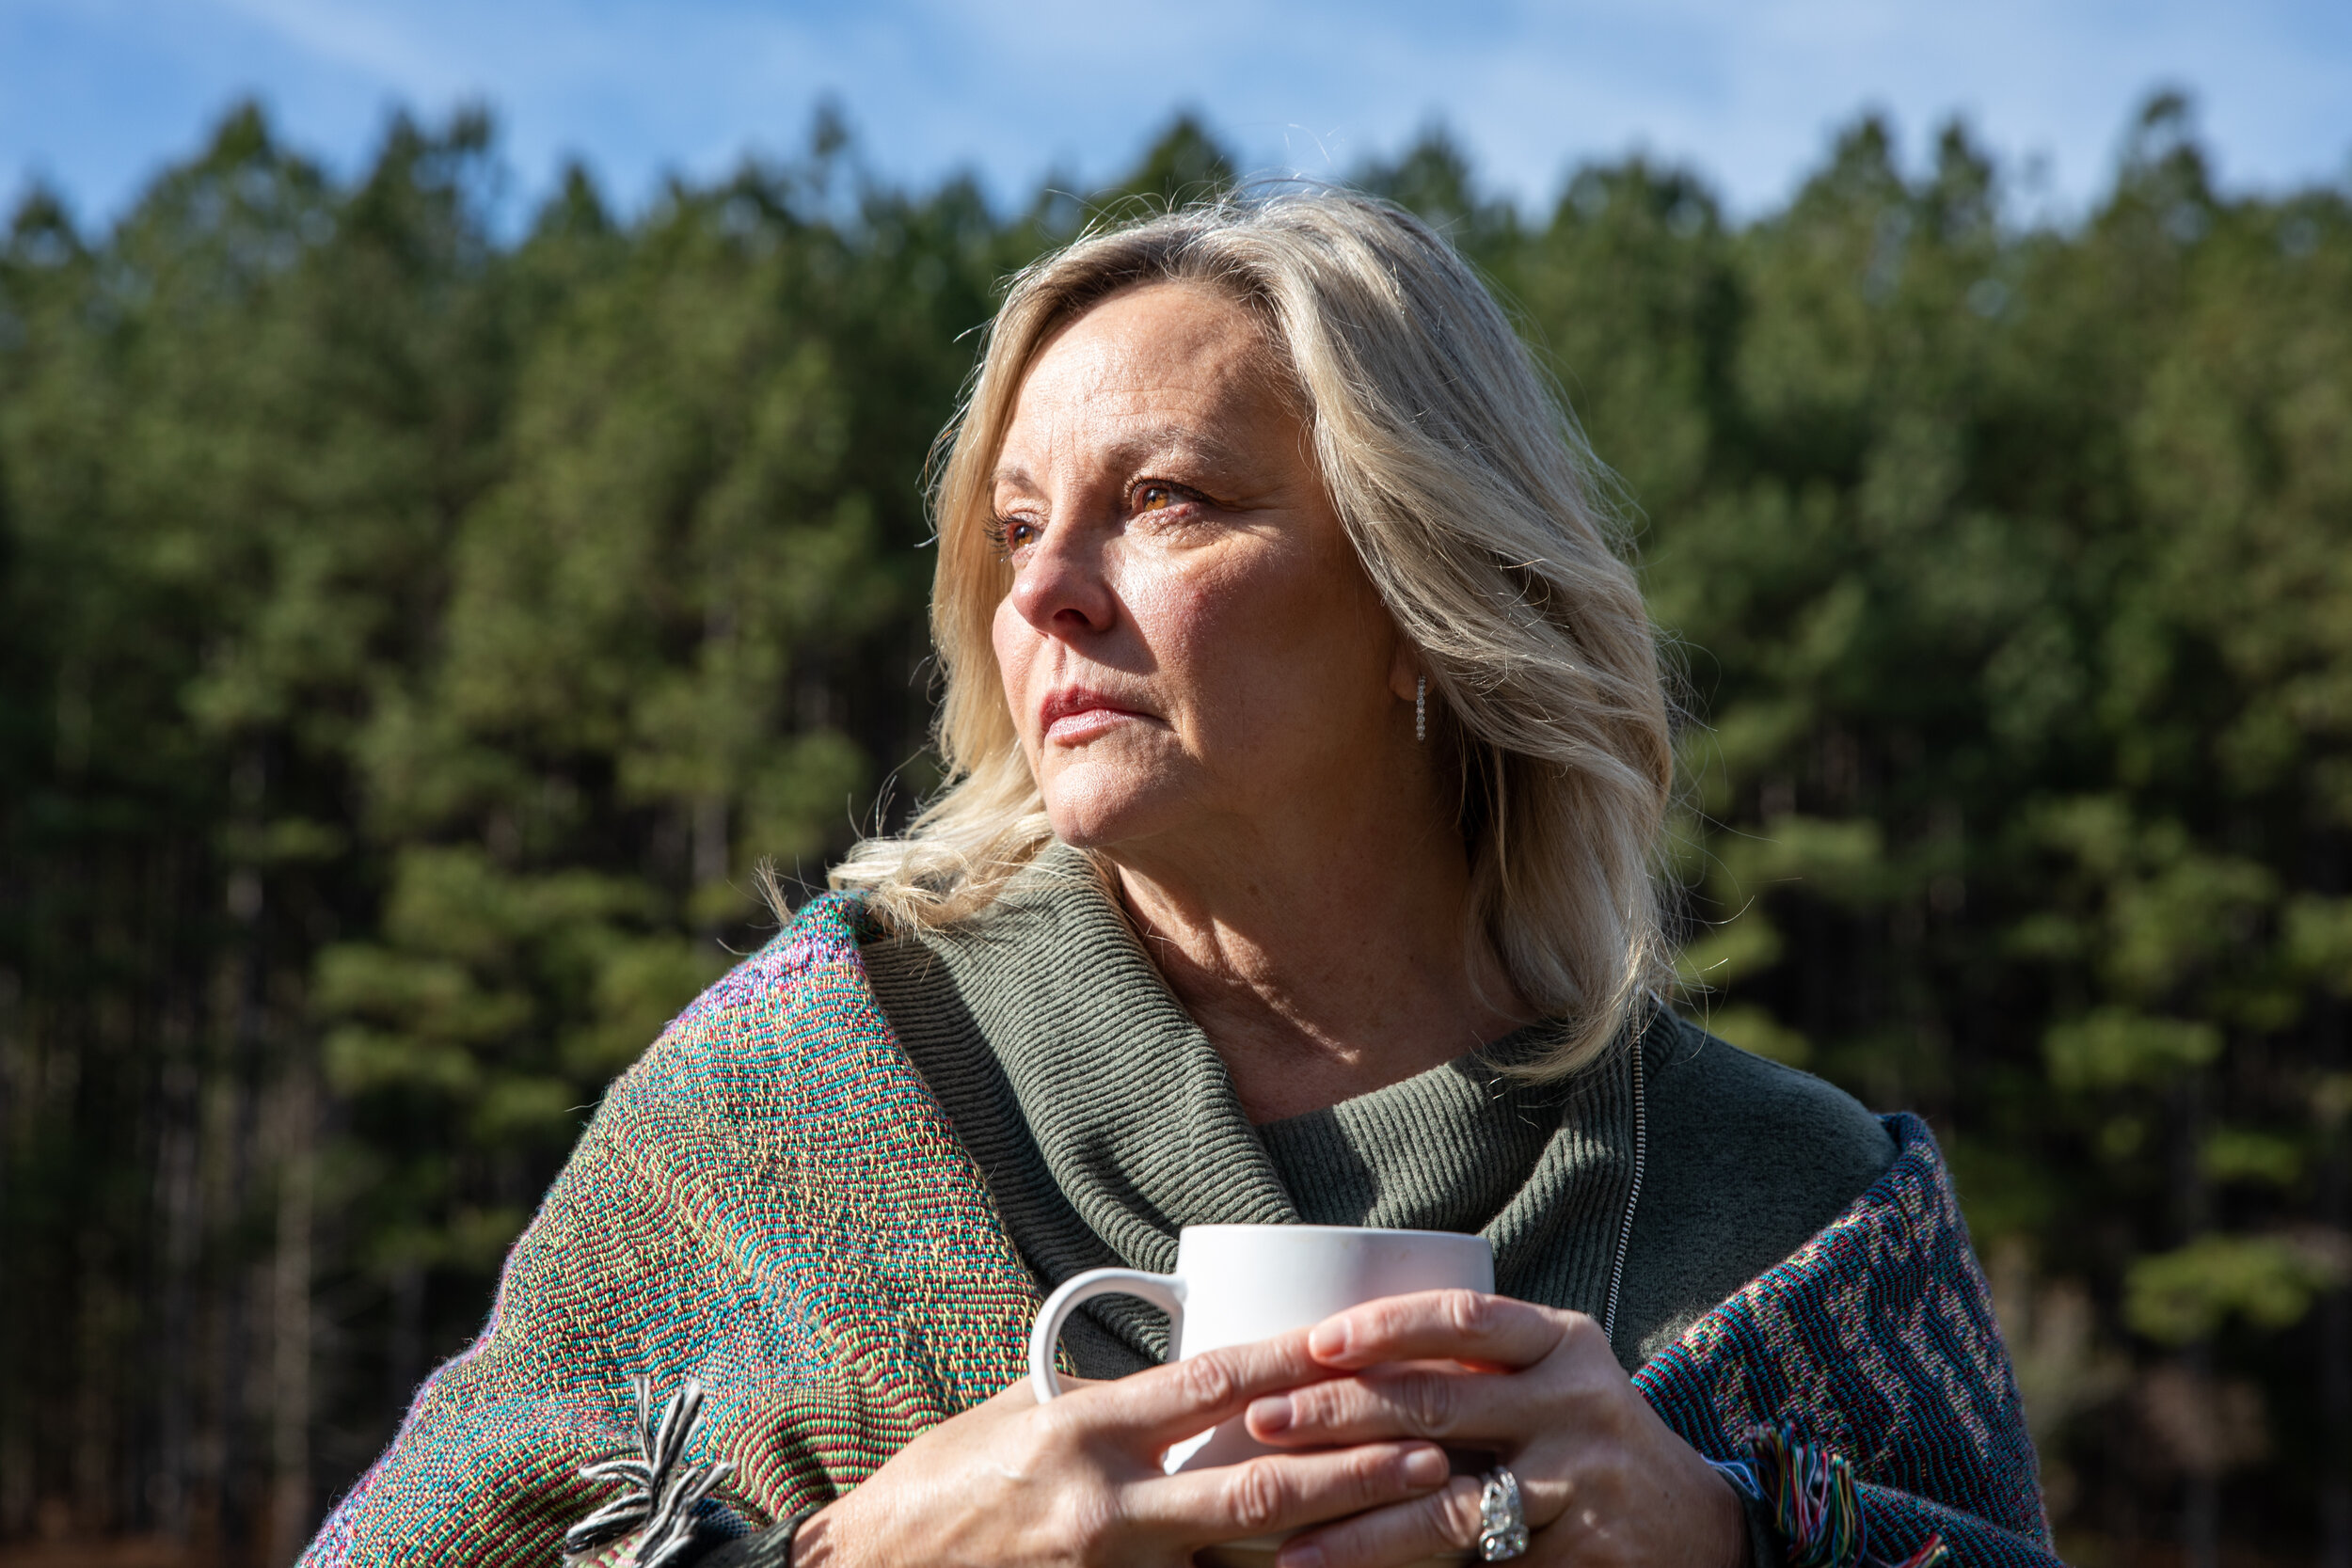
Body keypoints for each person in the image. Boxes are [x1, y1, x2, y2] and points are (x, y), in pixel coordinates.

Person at [301, 193, 2055, 1568]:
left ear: (1423, 602)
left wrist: (1730, 1539)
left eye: (1167, 501)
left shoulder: (1802, 1216)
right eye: (1013, 528)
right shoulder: (798, 1104)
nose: (1048, 588)